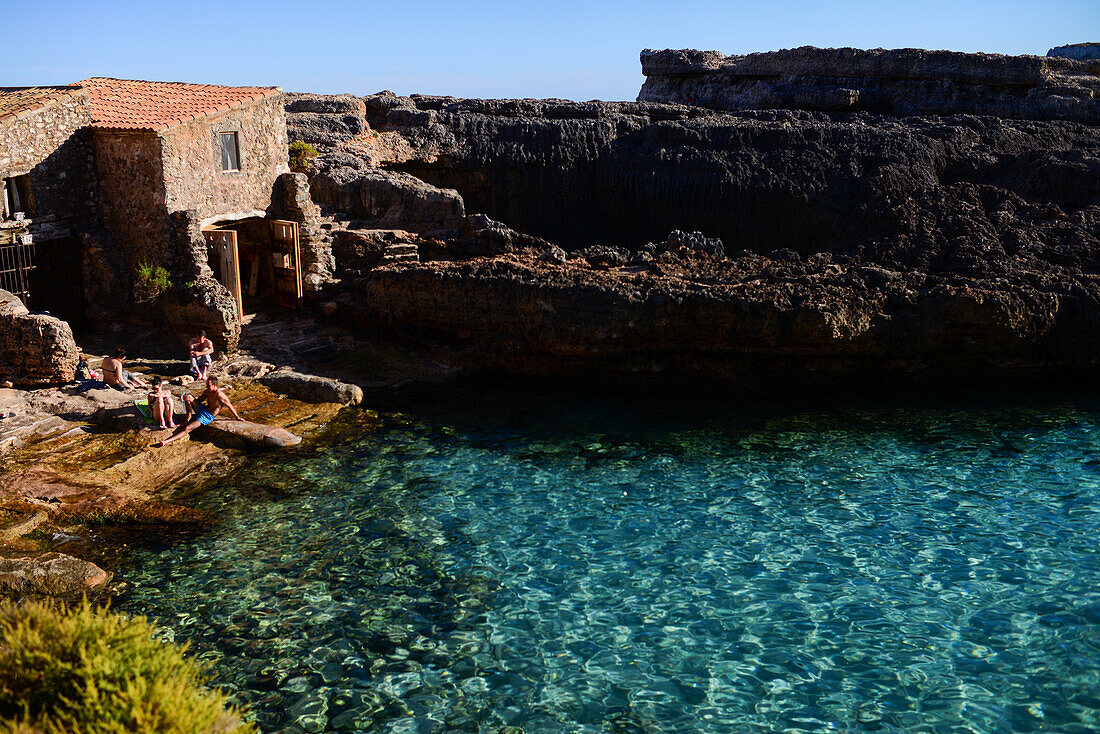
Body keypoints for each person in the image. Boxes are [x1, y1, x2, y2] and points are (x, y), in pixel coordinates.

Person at [155, 375, 243, 447]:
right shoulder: (207, 391)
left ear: (214, 385)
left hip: (207, 416)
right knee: (188, 396)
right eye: (207, 385)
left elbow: (230, 406)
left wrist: (237, 417)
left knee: (187, 428)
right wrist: (187, 399)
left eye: (209, 385)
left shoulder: (220, 395)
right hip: (202, 409)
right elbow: (199, 400)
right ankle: (188, 419)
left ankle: (167, 441)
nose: (207, 387)